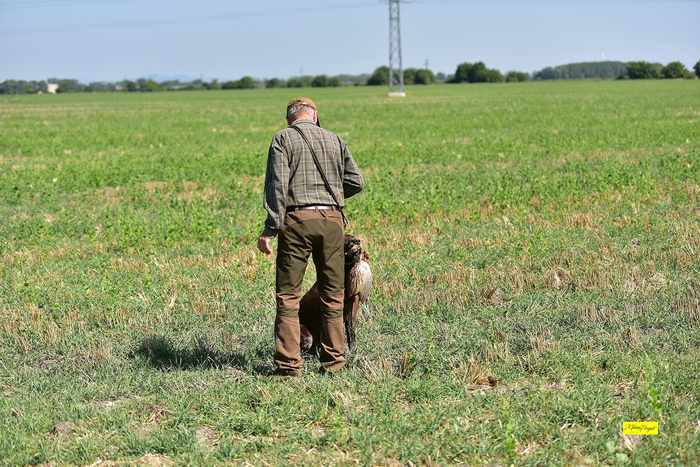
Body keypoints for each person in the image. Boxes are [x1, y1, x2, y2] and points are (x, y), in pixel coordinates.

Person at [257, 97, 364, 376]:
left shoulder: (283, 139)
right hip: (332, 221)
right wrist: (331, 196)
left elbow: (277, 187)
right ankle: (334, 362)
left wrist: (270, 229)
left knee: (288, 296)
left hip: (296, 221)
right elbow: (356, 182)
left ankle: (289, 365)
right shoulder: (335, 139)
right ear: (314, 116)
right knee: (333, 293)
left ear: (289, 119)